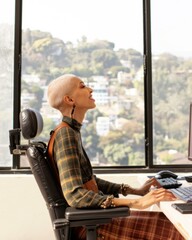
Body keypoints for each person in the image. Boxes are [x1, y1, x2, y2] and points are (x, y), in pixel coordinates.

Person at [47, 74, 184, 240]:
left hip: (98, 218)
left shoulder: (71, 131)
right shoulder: (66, 134)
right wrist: (136, 203)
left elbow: (90, 181)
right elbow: (75, 195)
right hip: (94, 226)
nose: (90, 89)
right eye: (82, 86)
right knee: (178, 230)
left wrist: (134, 191)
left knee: (170, 221)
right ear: (69, 100)